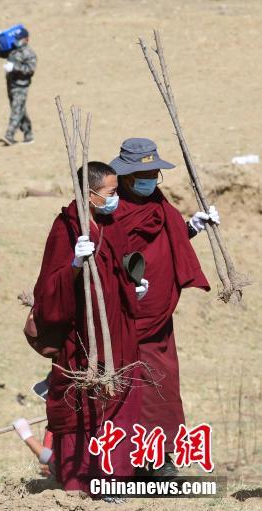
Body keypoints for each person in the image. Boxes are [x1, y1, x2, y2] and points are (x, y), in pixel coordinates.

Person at [29, 161, 143, 492]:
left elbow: (121, 268)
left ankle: (115, 480)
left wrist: (135, 286)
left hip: (117, 332)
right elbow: (48, 289)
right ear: (90, 194)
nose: (116, 197)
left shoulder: (111, 223)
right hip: (81, 336)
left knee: (120, 401)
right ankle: (78, 480)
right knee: (81, 404)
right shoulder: (66, 228)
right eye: (111, 192)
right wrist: (75, 264)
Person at [109, 138, 213, 476]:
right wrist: (125, 286)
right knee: (124, 383)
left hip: (158, 314)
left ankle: (160, 457)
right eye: (144, 175)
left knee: (161, 384)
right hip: (122, 312)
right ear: (126, 177)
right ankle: (124, 458)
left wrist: (191, 228)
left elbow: (166, 240)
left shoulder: (158, 202)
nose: (151, 179)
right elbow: (104, 253)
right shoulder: (111, 207)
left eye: (155, 173)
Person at [2, 27, 36, 145]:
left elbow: (30, 70)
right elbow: (1, 53)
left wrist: (14, 68)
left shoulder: (29, 54)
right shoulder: (14, 50)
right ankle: (28, 134)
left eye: (19, 39)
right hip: (11, 83)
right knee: (19, 109)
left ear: (26, 39)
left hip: (21, 86)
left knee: (16, 110)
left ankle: (9, 135)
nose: (16, 41)